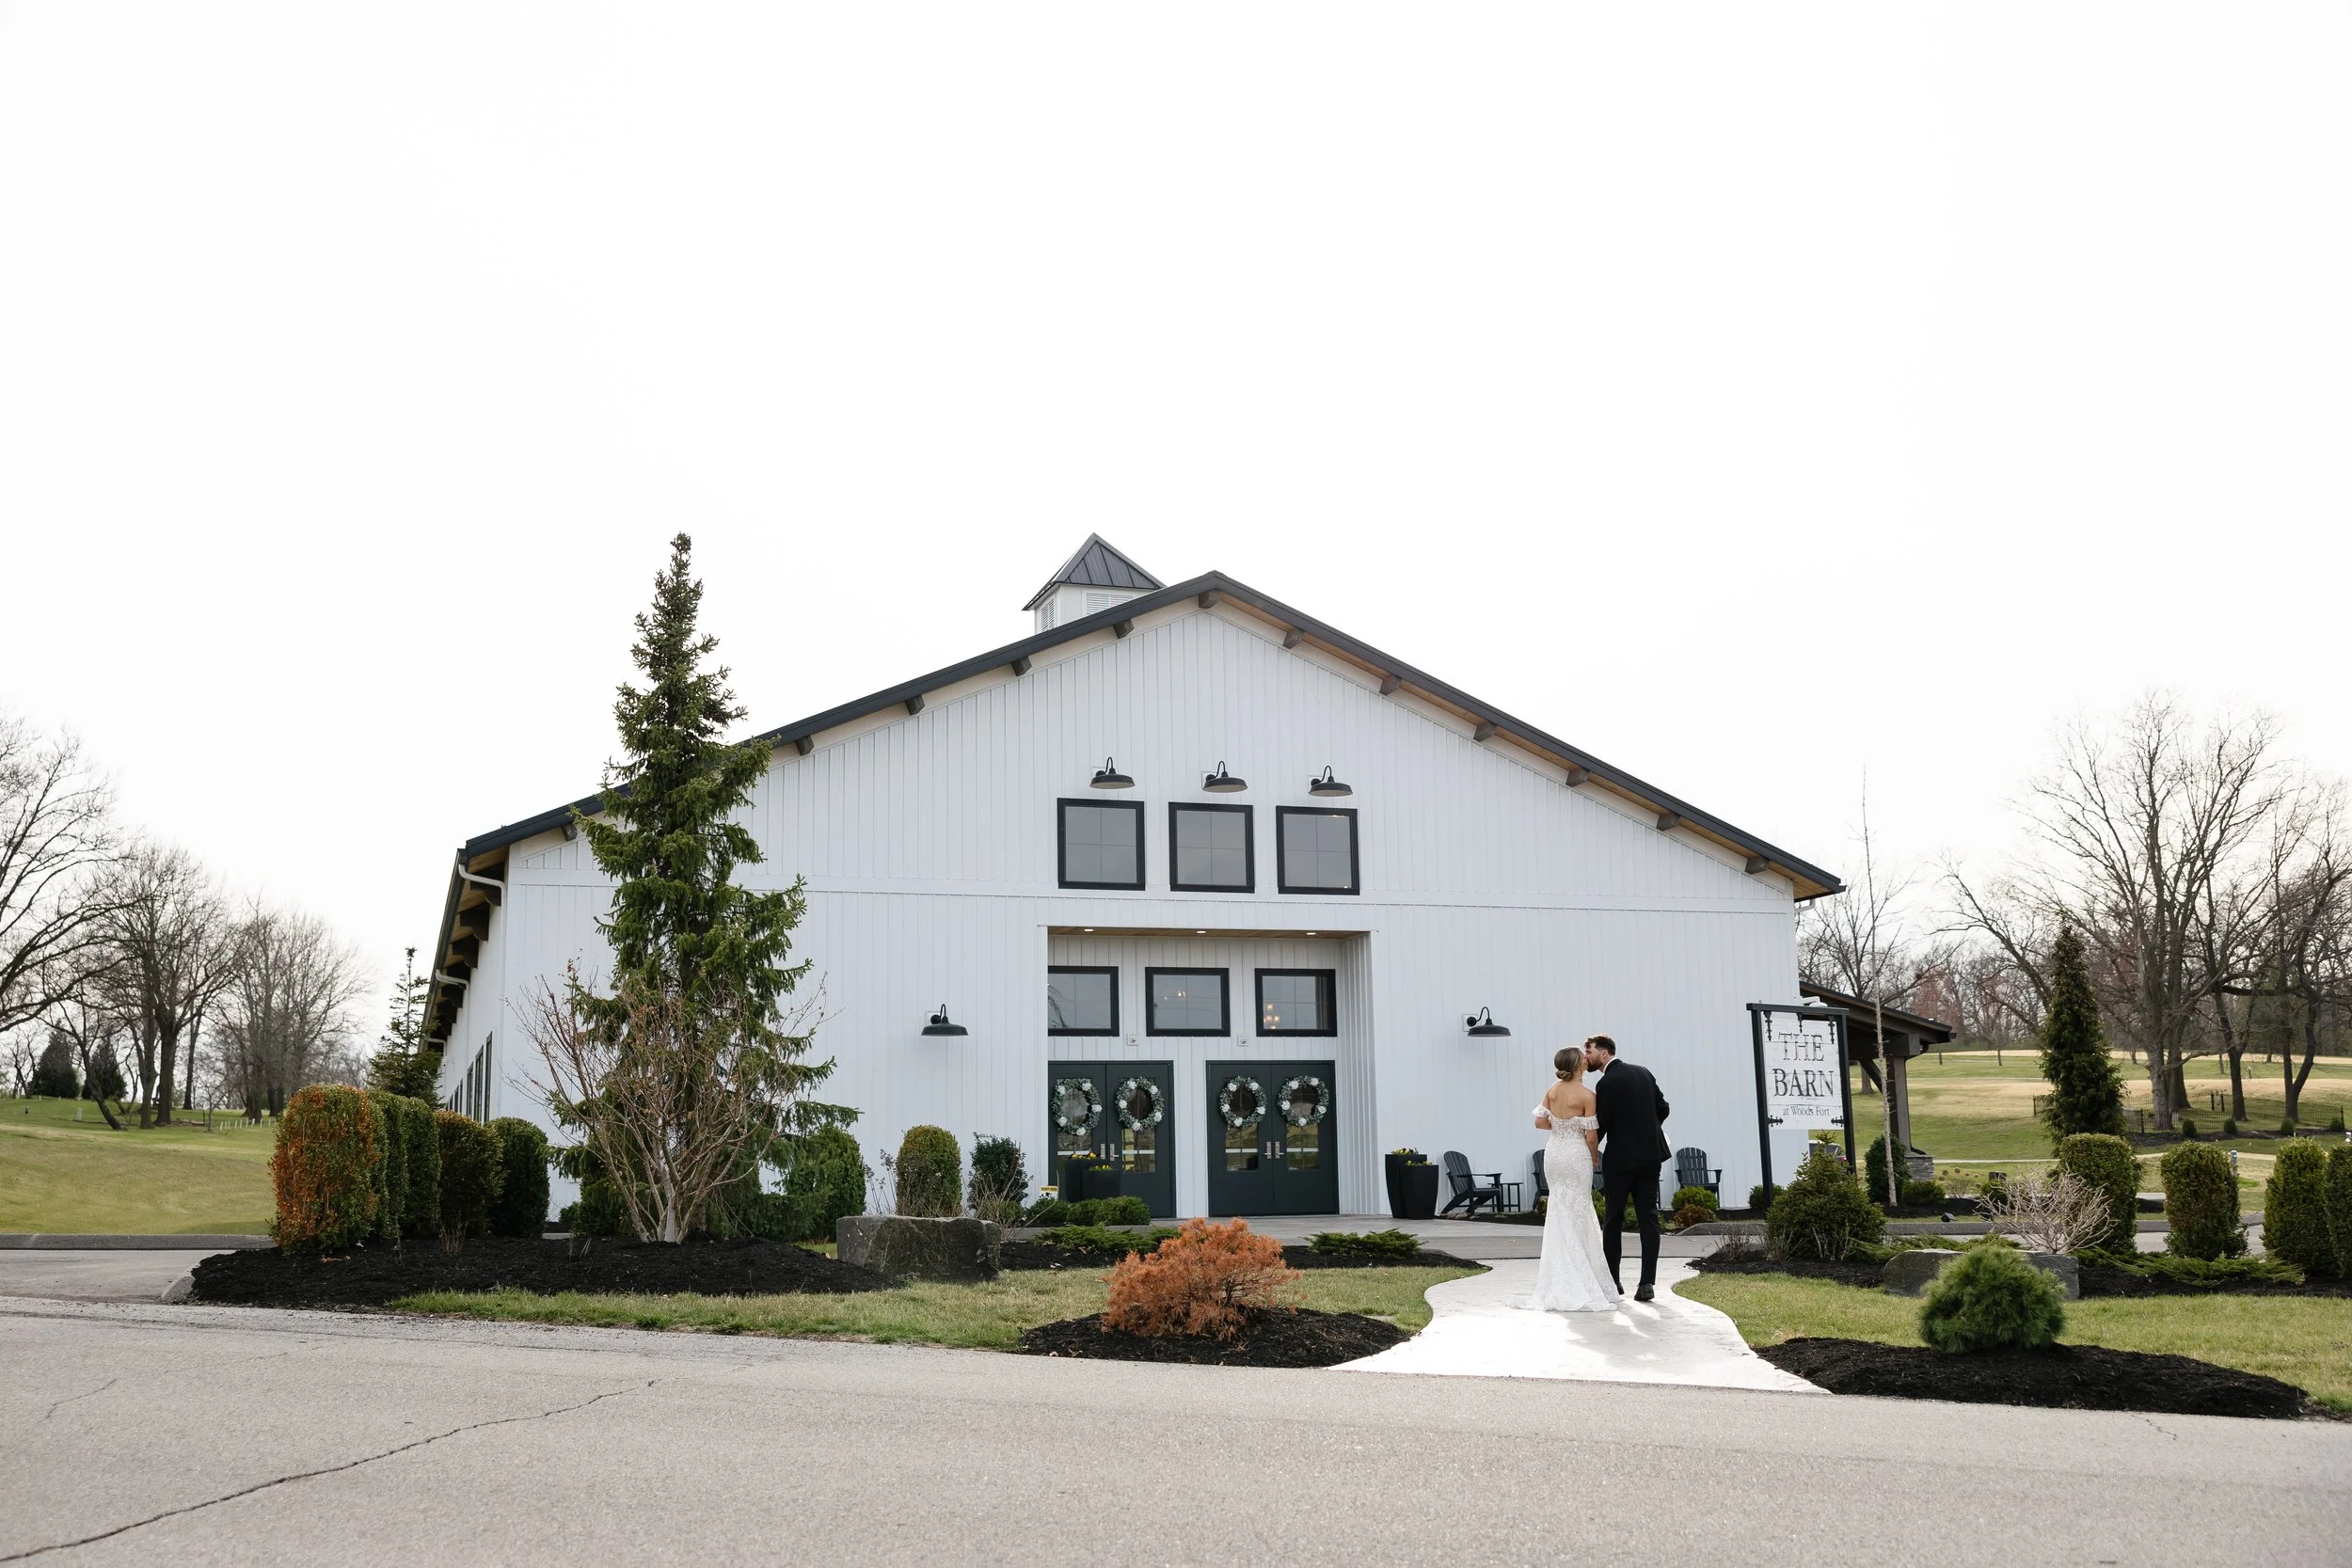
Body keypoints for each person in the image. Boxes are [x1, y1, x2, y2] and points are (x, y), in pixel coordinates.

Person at [1523, 1046, 1620, 1313]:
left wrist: (1561, 1126)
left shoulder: (1553, 1089)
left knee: (1558, 1208)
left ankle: (1558, 1278)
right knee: (1579, 1208)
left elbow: (1539, 1123)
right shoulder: (1589, 1095)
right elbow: (1591, 1136)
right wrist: (1593, 1156)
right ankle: (1583, 1277)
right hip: (1576, 1154)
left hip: (1554, 1153)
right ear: (1579, 1066)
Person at [1586, 1033, 1671, 1301]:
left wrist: (1589, 1150)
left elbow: (1603, 1122)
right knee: (1649, 1217)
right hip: (1651, 1155)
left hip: (1621, 1159)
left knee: (1614, 1218)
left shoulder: (1607, 1081)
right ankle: (1647, 1283)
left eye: (1588, 1051)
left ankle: (1614, 1282)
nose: (1586, 1056)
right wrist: (1647, 1130)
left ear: (1604, 1052)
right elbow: (1664, 1108)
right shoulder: (1643, 1072)